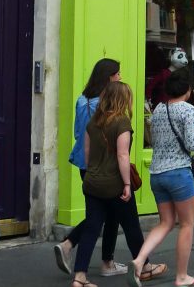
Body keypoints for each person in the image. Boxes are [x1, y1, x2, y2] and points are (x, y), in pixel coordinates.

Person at [71, 82, 165, 287]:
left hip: (92, 182)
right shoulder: (122, 122)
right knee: (131, 225)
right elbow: (123, 155)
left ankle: (79, 277)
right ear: (123, 99)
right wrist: (126, 184)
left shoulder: (93, 122)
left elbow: (86, 154)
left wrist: (94, 172)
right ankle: (145, 266)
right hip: (113, 183)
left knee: (91, 229)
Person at [127, 69, 194, 287]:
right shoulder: (188, 110)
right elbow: (191, 145)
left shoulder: (159, 109)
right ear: (188, 90)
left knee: (166, 222)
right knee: (187, 224)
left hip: (157, 174)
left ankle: (140, 260)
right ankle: (182, 277)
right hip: (179, 173)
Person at [54, 58, 129, 278]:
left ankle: (73, 247)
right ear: (109, 78)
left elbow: (79, 133)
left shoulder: (82, 100)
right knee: (109, 213)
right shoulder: (105, 105)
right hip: (104, 164)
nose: (120, 78)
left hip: (84, 163)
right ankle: (101, 259)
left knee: (98, 212)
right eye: (117, 74)